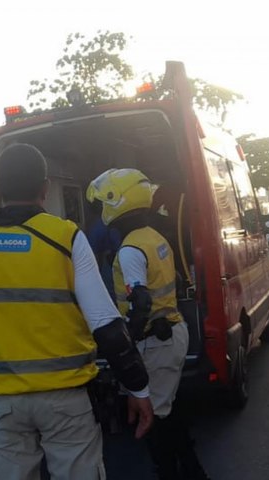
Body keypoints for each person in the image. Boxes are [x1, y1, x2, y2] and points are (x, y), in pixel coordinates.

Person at [0, 143, 154, 480]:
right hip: (65, 402)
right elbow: (106, 325)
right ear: (45, 187)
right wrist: (138, 389)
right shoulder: (66, 237)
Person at [86, 168, 210, 480]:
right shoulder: (154, 237)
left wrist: (125, 341)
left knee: (152, 417)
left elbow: (140, 301)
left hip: (155, 341)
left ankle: (170, 472)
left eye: (104, 203)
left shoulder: (130, 249)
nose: (101, 211)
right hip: (172, 331)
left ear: (117, 203)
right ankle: (192, 470)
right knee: (169, 409)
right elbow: (173, 282)